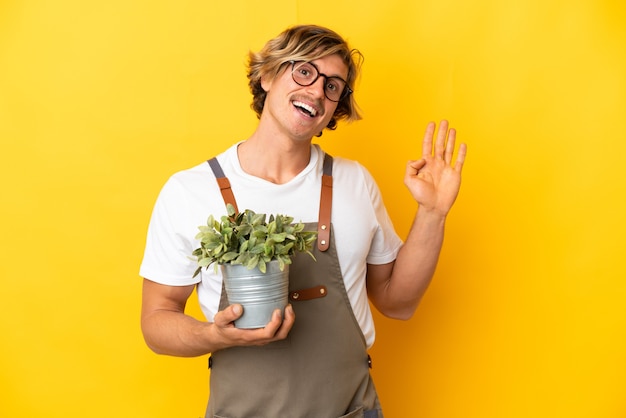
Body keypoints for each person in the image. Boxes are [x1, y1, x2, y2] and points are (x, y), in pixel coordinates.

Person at [140, 24, 466, 418]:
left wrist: (433, 213)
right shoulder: (190, 191)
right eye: (304, 71)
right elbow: (157, 321)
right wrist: (213, 334)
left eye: (333, 86)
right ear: (267, 75)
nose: (316, 91)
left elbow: (398, 302)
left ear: (335, 109)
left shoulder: (355, 182)